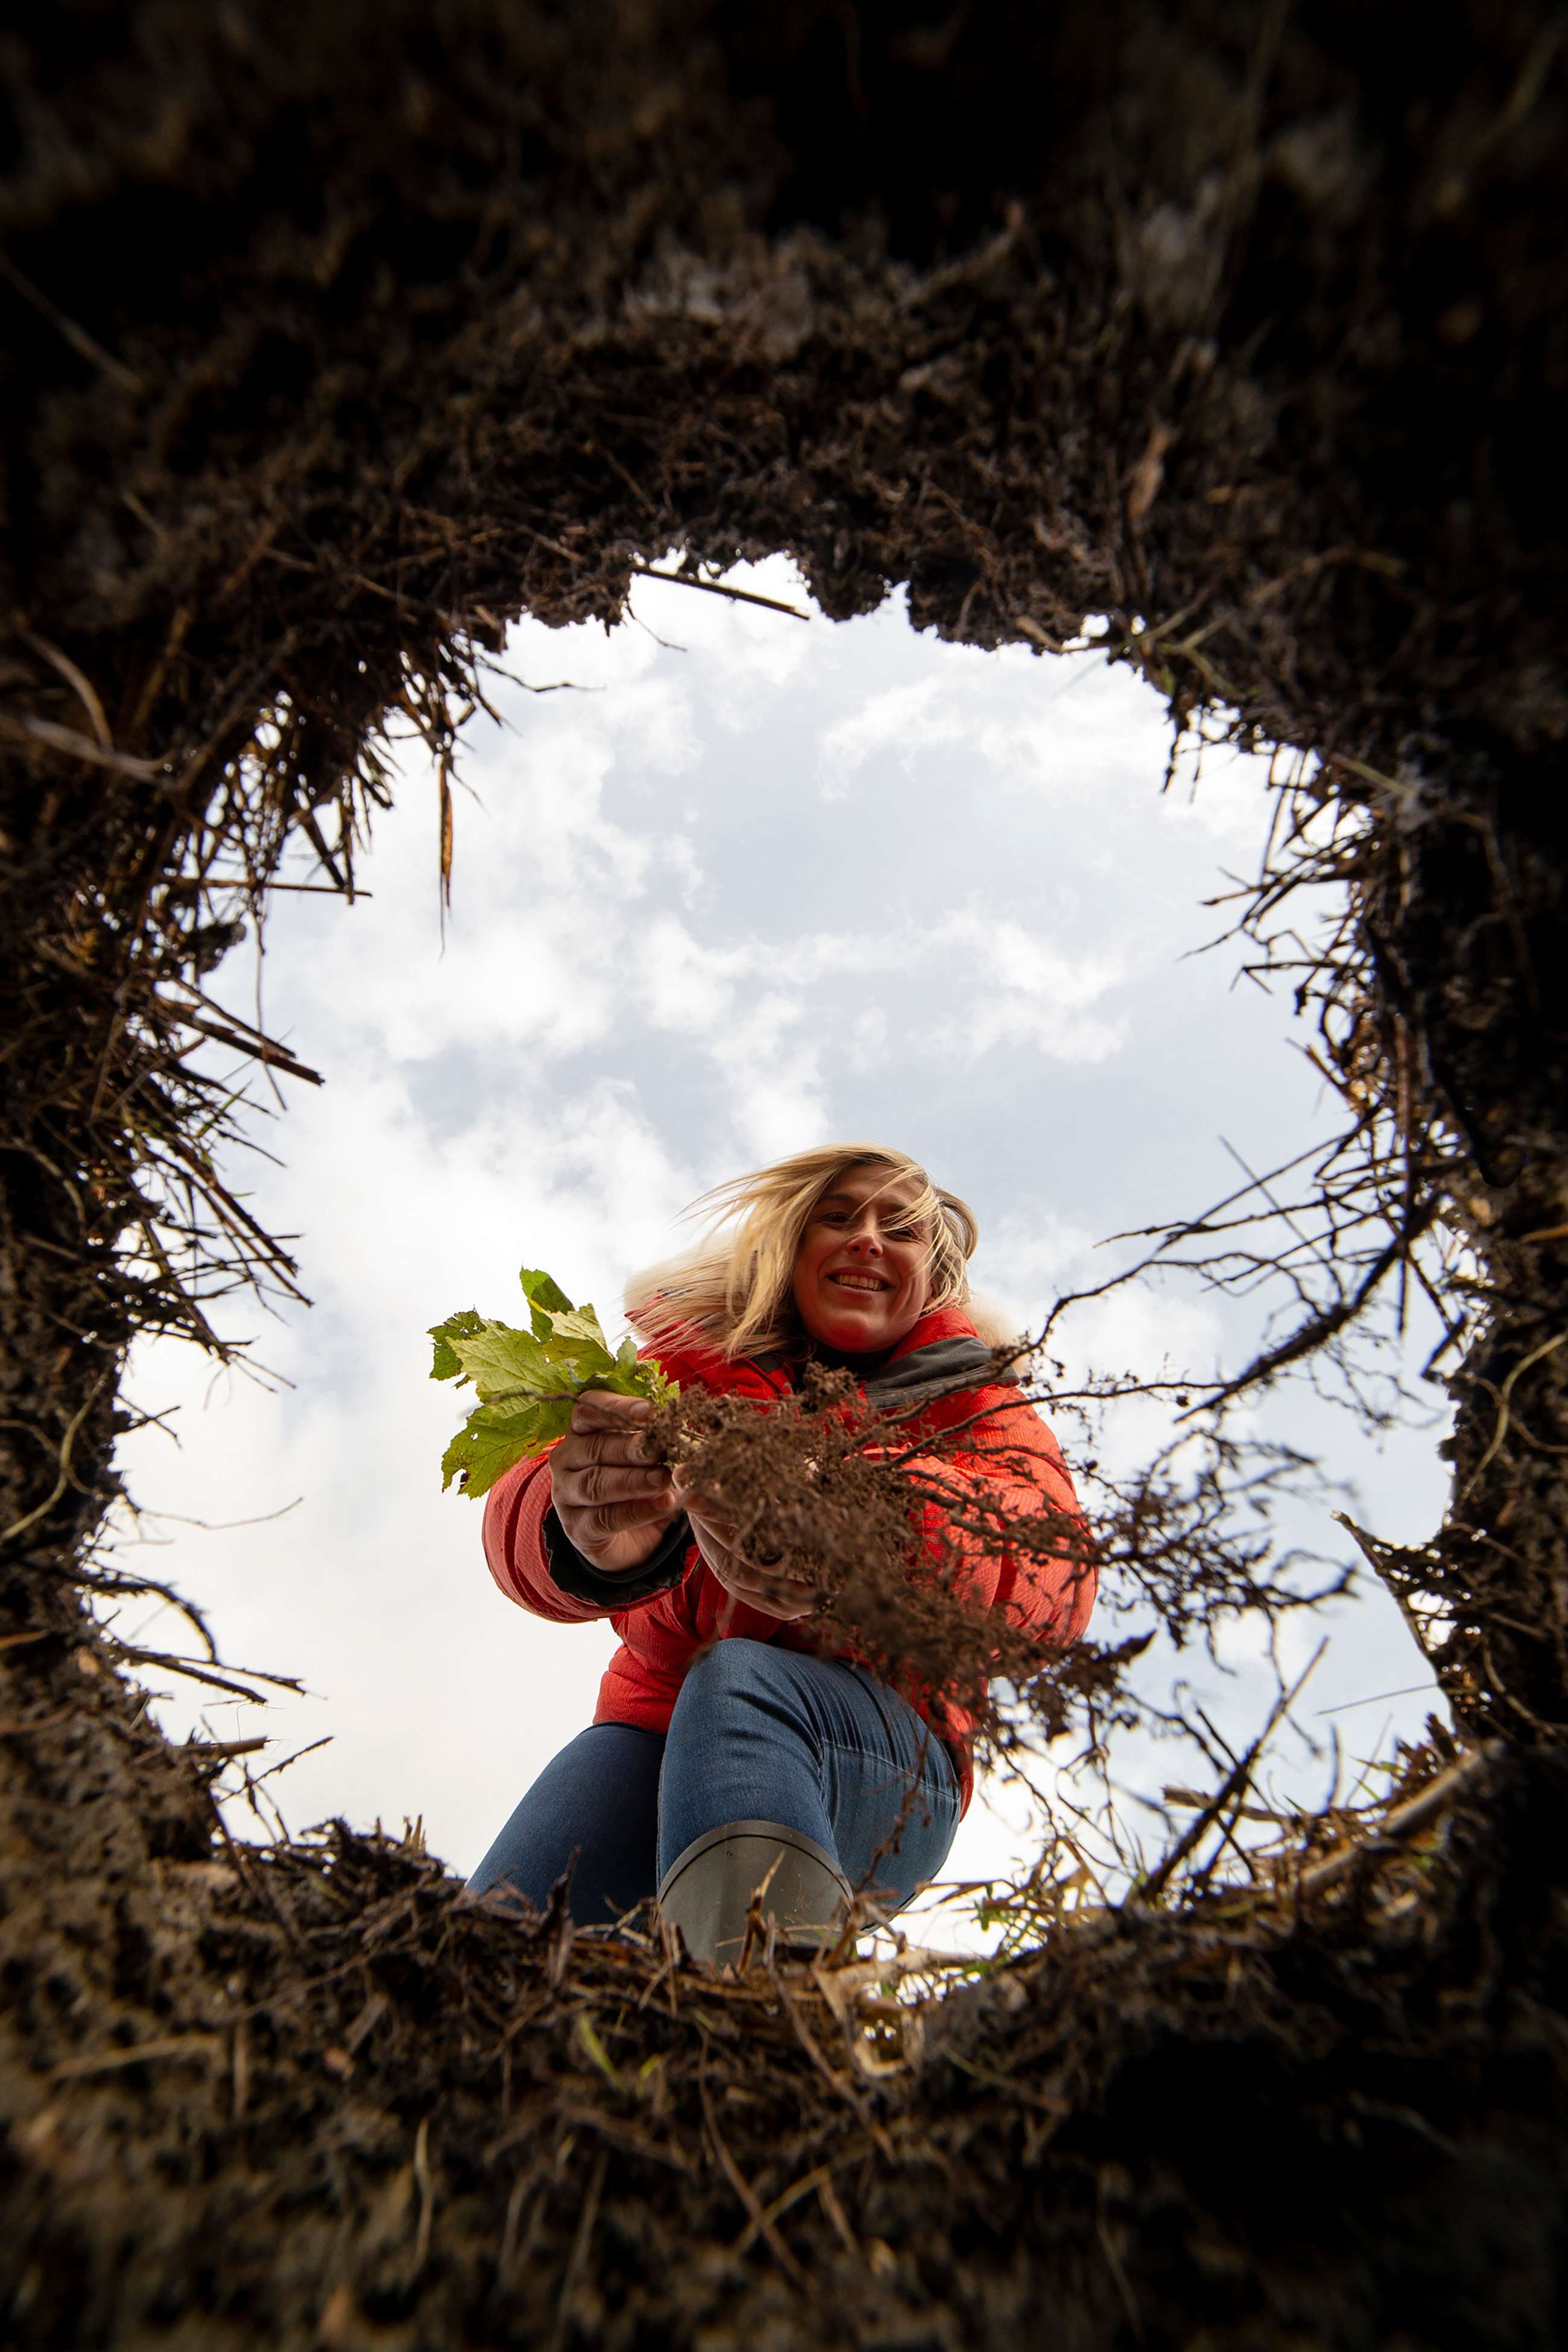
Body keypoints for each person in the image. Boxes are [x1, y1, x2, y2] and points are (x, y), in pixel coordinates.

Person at [468, 1143, 1095, 1964]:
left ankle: (762, 2022)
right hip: (654, 1727)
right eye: (837, 1217)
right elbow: (522, 1505)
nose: (869, 1239)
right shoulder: (679, 1376)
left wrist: (862, 1517)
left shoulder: (972, 1399)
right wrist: (582, 1535)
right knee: (500, 1932)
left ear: (930, 1273)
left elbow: (1052, 1575)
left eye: (901, 1229)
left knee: (741, 1686)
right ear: (790, 1246)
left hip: (884, 1756)